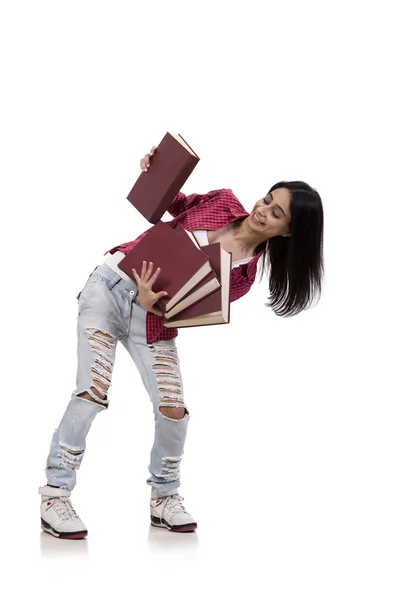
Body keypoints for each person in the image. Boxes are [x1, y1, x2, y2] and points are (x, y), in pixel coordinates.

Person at [38, 145, 324, 539]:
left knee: (173, 409)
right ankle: (55, 494)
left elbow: (185, 310)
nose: (262, 210)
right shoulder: (224, 202)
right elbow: (173, 203)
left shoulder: (240, 278)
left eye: (276, 213)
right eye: (267, 198)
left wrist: (154, 304)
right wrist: (156, 173)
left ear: (289, 231)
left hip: (152, 319)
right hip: (109, 287)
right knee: (93, 390)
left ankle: (164, 498)